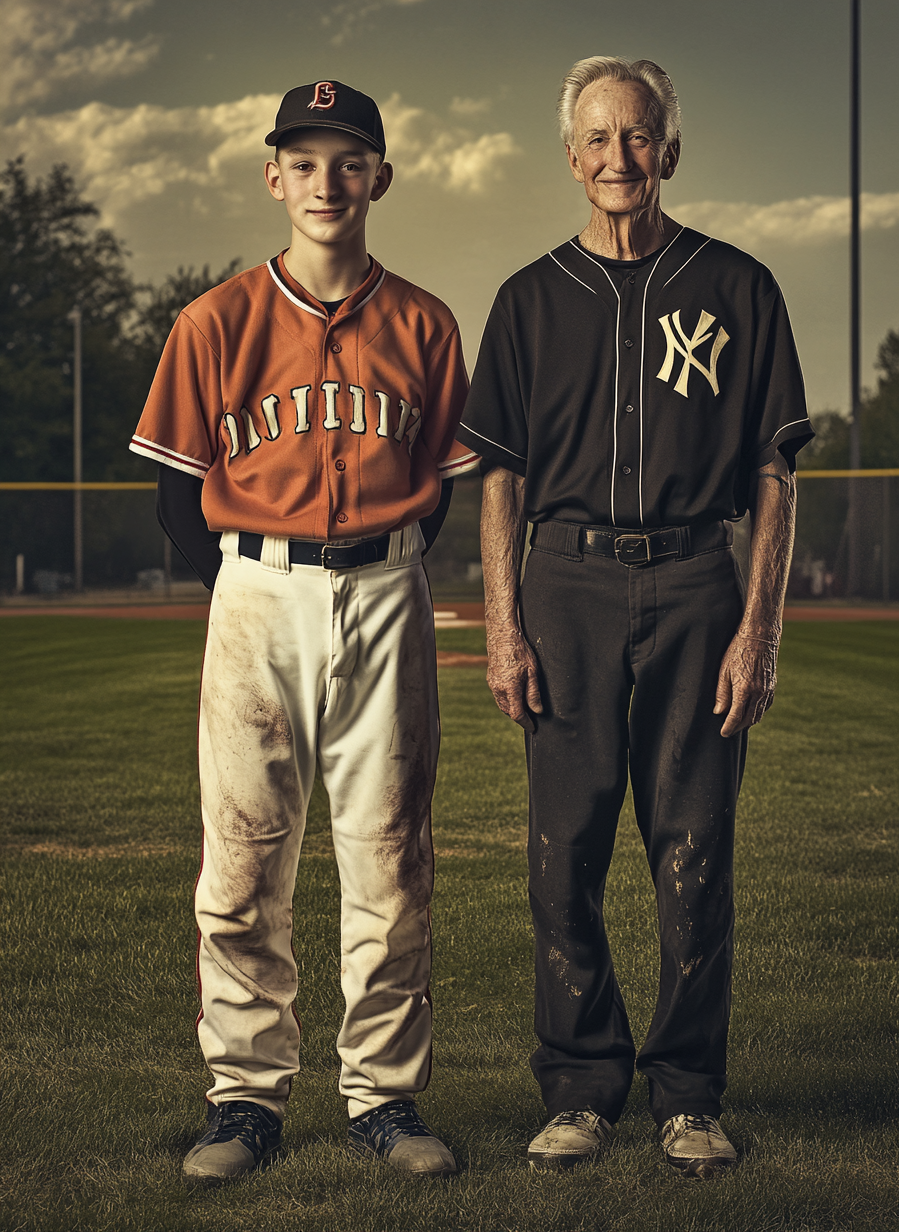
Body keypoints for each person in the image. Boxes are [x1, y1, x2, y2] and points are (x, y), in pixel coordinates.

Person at [456, 56, 813, 1177]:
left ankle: (690, 1093)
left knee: (693, 853)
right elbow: (498, 480)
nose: (620, 157)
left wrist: (759, 631)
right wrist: (501, 623)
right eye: (599, 140)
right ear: (572, 158)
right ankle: (578, 1085)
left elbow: (773, 474)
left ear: (670, 149)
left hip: (698, 583)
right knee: (562, 852)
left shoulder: (740, 287)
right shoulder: (526, 297)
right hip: (561, 583)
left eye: (640, 135)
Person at [130, 80, 479, 1183]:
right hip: (255, 592)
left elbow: (440, 491)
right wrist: (251, 585)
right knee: (241, 854)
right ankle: (243, 1095)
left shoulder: (425, 321)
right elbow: (177, 499)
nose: (327, 181)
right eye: (305, 159)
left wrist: (376, 565)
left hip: (385, 590)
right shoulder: (214, 320)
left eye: (349, 159)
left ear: (380, 175)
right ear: (272, 175)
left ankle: (382, 1093)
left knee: (391, 851)